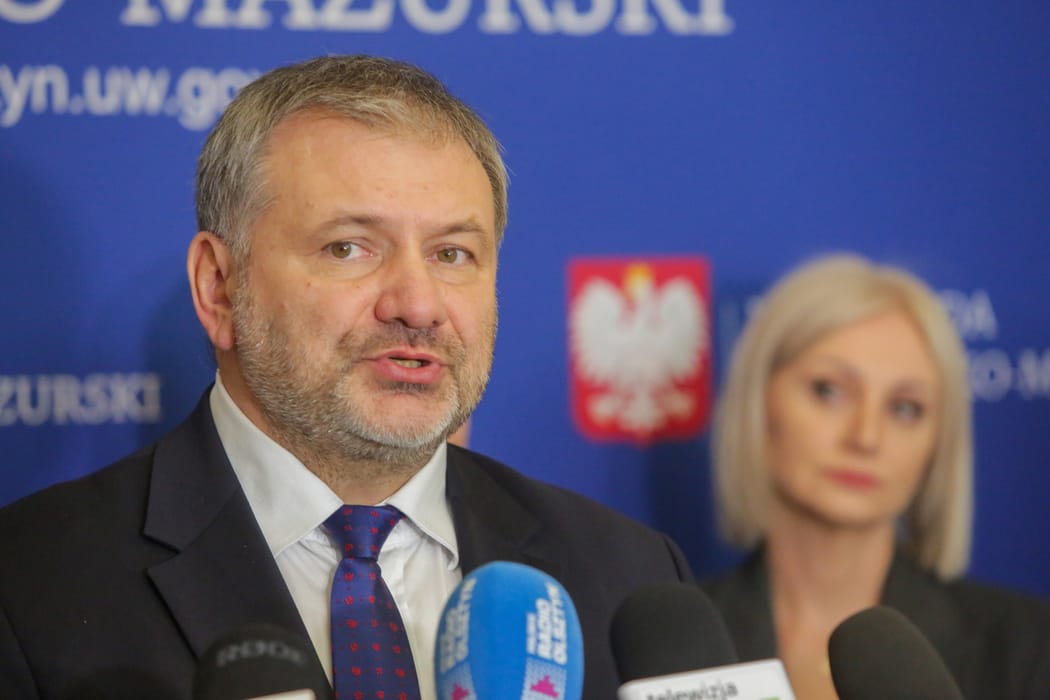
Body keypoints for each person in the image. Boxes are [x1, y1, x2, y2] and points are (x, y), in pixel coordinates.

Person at [0, 55, 693, 700]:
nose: (418, 306)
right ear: (218, 287)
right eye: (349, 248)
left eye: (453, 253)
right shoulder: (30, 587)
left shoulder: (632, 577)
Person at [701, 253, 1050, 699]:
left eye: (905, 408)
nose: (866, 437)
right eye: (828, 391)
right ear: (758, 403)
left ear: (937, 444)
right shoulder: (675, 649)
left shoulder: (1029, 647)